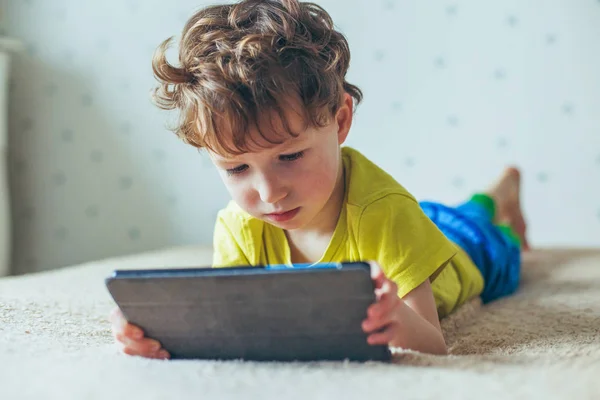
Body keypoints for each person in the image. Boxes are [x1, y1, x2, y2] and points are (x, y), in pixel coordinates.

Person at [109, 0, 530, 360]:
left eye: (289, 156)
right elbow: (229, 327)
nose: (269, 192)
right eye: (237, 168)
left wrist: (396, 320)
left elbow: (433, 345)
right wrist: (154, 333)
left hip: (465, 250)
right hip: (419, 223)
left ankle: (503, 192)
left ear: (340, 120)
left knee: (483, 229)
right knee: (452, 214)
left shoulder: (386, 215)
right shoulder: (239, 227)